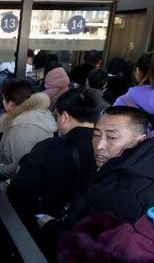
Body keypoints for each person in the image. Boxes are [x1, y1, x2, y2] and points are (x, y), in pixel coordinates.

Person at [9, 88, 105, 228]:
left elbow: (20, 190)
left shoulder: (48, 149)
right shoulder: (108, 149)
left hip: (50, 226)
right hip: (91, 230)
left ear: (65, 117)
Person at [66, 106, 154, 226]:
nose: (100, 146)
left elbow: (92, 242)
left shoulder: (127, 193)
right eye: (96, 135)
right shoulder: (115, 169)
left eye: (112, 137)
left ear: (140, 140)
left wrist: (50, 227)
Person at [0, 78, 56, 183]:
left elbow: (19, 169)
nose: (2, 101)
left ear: (11, 104)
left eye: (4, 99)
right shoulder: (38, 113)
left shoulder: (21, 128)